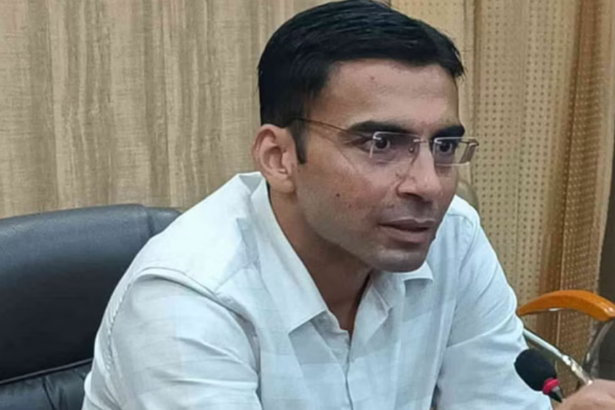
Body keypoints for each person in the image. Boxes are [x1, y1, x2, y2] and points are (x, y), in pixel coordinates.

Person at [81, 1, 615, 409]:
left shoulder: (452, 235)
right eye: (381, 143)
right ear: (279, 158)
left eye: (443, 146)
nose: (428, 185)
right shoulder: (185, 301)